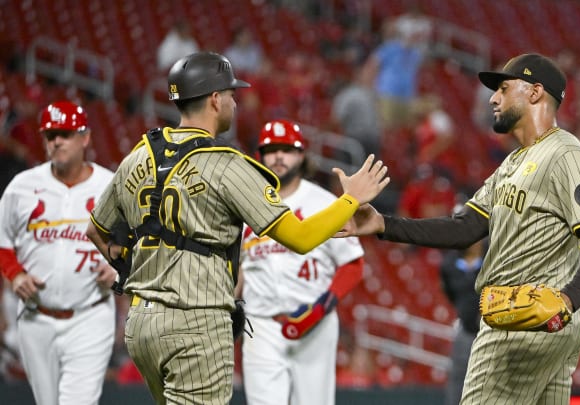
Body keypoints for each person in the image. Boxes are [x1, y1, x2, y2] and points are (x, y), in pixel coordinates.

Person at [84, 51, 389, 405]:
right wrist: (351, 199)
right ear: (215, 99)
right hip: (195, 323)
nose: (234, 103)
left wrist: (129, 268)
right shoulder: (225, 164)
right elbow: (300, 237)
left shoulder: (139, 155)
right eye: (231, 95)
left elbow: (97, 231)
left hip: (142, 323)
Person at [337, 53, 580, 404]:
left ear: (535, 93)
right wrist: (384, 224)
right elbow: (466, 227)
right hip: (548, 325)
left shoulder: (566, 155)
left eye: (503, 88)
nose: (492, 98)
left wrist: (566, 300)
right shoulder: (513, 163)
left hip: (520, 322)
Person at [240, 119, 366, 405]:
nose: (279, 157)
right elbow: (238, 268)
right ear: (260, 155)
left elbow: (353, 263)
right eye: (271, 149)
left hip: (315, 325)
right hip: (261, 324)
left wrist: (325, 305)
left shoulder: (323, 202)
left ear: (302, 155)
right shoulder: (246, 205)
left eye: (287, 149)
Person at [0, 100, 117, 404]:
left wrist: (119, 267)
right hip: (36, 316)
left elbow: (136, 240)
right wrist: (14, 275)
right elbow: (2, 240)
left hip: (90, 314)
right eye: (51, 135)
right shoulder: (22, 187)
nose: (57, 142)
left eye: (65, 133)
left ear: (86, 137)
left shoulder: (110, 186)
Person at [439, 237, 485, 405]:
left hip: (494, 330)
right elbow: (450, 293)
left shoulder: (494, 256)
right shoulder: (449, 264)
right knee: (459, 379)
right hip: (466, 329)